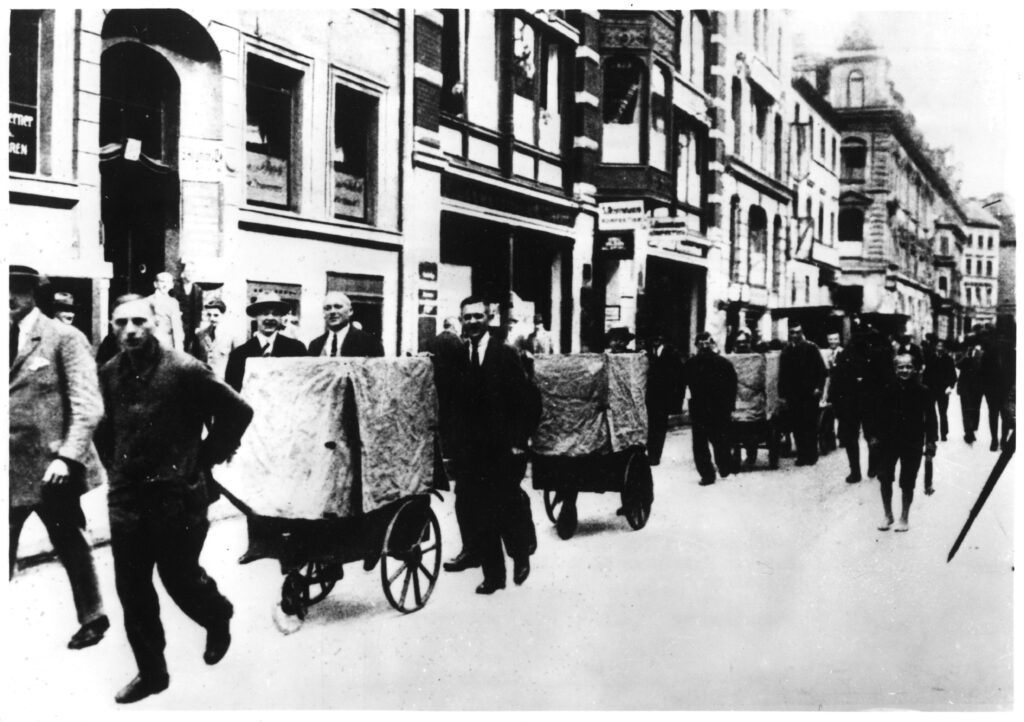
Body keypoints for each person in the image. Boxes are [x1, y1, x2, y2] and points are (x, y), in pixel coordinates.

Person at [95, 294, 254, 704]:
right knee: (132, 588)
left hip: (177, 497)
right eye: (120, 323)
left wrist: (203, 459)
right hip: (129, 498)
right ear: (112, 327)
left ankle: (216, 615)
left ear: (155, 325)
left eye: (138, 322)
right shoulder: (108, 373)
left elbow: (238, 411)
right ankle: (152, 673)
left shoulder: (185, 369)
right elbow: (102, 427)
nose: (129, 330)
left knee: (179, 579)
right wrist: (115, 468)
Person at [9, 265, 109, 651]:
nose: (8, 299)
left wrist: (68, 458)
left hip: (54, 469)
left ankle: (93, 617)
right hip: (9, 466)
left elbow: (88, 406)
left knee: (69, 541)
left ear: (33, 294)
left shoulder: (64, 337)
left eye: (16, 291)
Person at [446, 295, 541, 594]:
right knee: (478, 510)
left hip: (504, 448)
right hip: (471, 451)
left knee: (505, 506)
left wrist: (519, 441)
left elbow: (529, 401)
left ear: (488, 318)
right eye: (467, 317)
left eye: (478, 316)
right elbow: (453, 404)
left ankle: (521, 551)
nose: (472, 322)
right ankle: (494, 576)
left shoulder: (506, 355)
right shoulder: (459, 356)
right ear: (461, 320)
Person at [866, 353, 938, 532]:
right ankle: (887, 515)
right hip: (887, 442)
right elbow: (874, 415)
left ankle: (904, 517)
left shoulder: (923, 391)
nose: (904, 370)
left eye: (908, 367)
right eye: (900, 367)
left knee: (907, 481)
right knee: (884, 478)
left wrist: (930, 443)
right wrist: (873, 437)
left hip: (912, 442)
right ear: (895, 369)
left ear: (914, 369)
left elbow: (931, 420)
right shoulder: (886, 390)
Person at [682, 332, 738, 486]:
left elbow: (732, 387)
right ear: (696, 345)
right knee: (700, 444)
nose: (704, 346)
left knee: (721, 441)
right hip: (699, 409)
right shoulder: (690, 364)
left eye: (707, 343)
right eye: (701, 343)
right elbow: (684, 386)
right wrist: (685, 404)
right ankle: (707, 475)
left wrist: (729, 406)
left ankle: (724, 466)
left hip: (719, 409)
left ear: (712, 344)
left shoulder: (724, 364)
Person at [224, 292, 307, 392]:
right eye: (265, 313)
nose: (270, 318)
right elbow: (232, 394)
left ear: (281, 317)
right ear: (256, 316)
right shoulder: (238, 355)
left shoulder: (296, 349)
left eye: (275, 314)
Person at [778, 322, 827, 466]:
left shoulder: (811, 348)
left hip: (809, 393)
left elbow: (822, 371)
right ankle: (801, 455)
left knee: (809, 424)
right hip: (793, 394)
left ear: (802, 332)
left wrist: (818, 387)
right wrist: (782, 394)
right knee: (797, 426)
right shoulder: (786, 351)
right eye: (792, 332)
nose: (795, 335)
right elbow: (783, 374)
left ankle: (811, 455)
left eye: (797, 332)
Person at [830, 328, 871, 483]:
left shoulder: (845, 355)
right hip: (860, 404)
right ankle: (868, 468)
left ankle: (856, 472)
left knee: (853, 439)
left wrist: (837, 406)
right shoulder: (870, 355)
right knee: (868, 436)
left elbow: (836, 382)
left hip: (851, 405)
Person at [645, 330, 684, 466]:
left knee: (659, 427)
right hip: (646, 397)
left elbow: (679, 378)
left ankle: (655, 455)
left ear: (663, 338)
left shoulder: (672, 354)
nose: (656, 339)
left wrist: (676, 401)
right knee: (647, 425)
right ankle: (648, 452)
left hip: (663, 398)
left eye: (659, 336)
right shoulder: (644, 353)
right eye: (653, 337)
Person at [307, 291, 384, 357]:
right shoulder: (315, 345)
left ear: (350, 311)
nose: (332, 312)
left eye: (338, 307)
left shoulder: (369, 343)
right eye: (327, 308)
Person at [921, 339, 957, 442]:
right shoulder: (931, 358)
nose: (940, 348)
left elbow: (953, 375)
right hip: (932, 389)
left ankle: (944, 433)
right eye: (938, 346)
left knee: (943, 412)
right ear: (935, 347)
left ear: (944, 348)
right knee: (932, 413)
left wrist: (950, 386)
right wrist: (925, 387)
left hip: (943, 390)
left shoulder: (948, 359)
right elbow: (926, 375)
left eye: (942, 346)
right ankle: (934, 434)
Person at [194, 299, 238, 379]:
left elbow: (237, 363)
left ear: (223, 315)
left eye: (216, 315)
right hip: (204, 381)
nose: (212, 318)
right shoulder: (200, 335)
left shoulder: (232, 336)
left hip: (223, 382)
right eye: (209, 315)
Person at [170, 259, 204, 356]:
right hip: (177, 322)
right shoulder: (175, 287)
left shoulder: (197, 289)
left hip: (191, 324)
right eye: (188, 271)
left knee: (191, 348)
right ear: (182, 273)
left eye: (193, 272)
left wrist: (197, 326)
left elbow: (199, 310)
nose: (190, 274)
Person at [146, 271, 185, 352]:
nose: (165, 285)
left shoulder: (173, 302)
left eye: (168, 282)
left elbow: (177, 327)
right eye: (162, 281)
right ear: (155, 284)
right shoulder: (147, 301)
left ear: (172, 285)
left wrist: (179, 350)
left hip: (166, 343)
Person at [957, 332, 984, 444]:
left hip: (977, 386)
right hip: (964, 386)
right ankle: (968, 432)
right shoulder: (963, 353)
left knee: (975, 410)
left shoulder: (981, 353)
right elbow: (958, 365)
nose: (971, 345)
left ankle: (972, 429)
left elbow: (983, 368)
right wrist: (966, 356)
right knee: (966, 410)